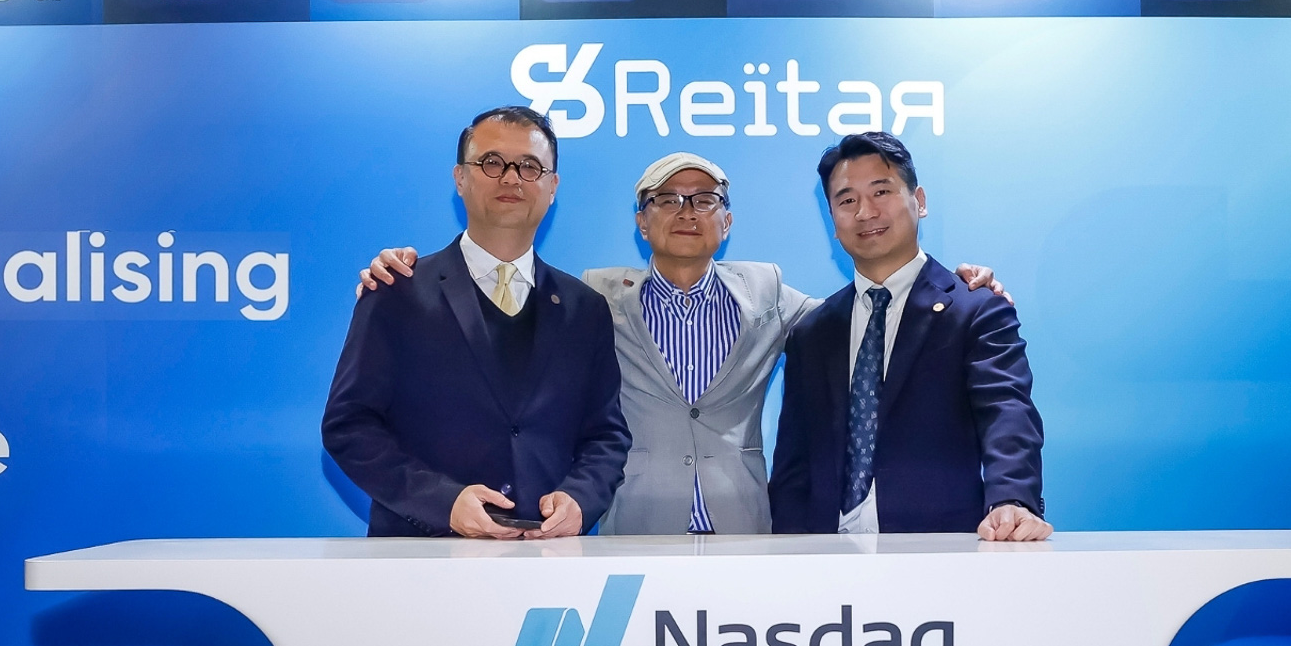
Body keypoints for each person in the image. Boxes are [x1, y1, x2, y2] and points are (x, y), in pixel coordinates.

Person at [357, 152, 1006, 535]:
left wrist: (953, 286)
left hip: (746, 532)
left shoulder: (769, 291)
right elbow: (491, 310)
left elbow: (872, 320)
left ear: (727, 220)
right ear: (641, 222)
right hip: (630, 530)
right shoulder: (588, 297)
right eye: (666, 200)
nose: (686, 212)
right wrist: (405, 272)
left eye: (704, 200)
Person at [322, 106, 629, 539]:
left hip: (549, 559)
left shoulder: (586, 309)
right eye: (492, 162)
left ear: (552, 187)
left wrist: (580, 499)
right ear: (460, 178)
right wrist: (443, 503)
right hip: (421, 558)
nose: (511, 178)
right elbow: (349, 425)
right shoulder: (397, 291)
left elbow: (606, 436)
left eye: (530, 166)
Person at [770, 132, 1050, 542]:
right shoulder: (812, 331)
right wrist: (789, 549)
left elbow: (1006, 411)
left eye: (881, 192)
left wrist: (1011, 499)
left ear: (919, 200)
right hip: (826, 556)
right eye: (847, 200)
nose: (865, 211)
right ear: (833, 221)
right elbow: (794, 463)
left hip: (937, 550)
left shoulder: (975, 308)